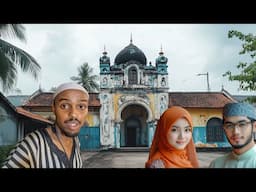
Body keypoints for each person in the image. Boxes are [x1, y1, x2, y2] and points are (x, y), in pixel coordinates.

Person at [2, 82, 89, 168]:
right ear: (54, 108)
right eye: (64, 106)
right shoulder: (32, 145)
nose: (73, 114)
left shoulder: (76, 141)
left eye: (81, 106)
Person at [209, 102, 256, 168]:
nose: (236, 132)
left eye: (242, 124)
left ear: (254, 126)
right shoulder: (216, 164)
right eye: (229, 125)